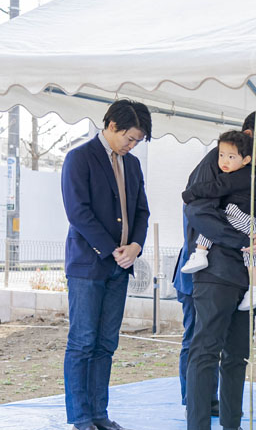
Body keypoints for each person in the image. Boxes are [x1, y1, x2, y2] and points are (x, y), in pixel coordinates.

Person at [183, 108, 256, 430]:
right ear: (247, 135)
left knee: (237, 356)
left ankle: (233, 424)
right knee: (205, 352)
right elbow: (198, 211)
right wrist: (241, 239)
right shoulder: (218, 160)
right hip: (215, 273)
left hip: (248, 276)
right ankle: (198, 425)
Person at [61, 100, 152, 430]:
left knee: (106, 344)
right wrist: (112, 248)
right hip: (88, 264)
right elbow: (78, 212)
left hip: (121, 266)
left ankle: (99, 412)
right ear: (112, 125)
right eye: (131, 138)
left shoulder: (133, 166)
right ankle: (81, 417)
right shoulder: (79, 158)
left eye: (137, 141)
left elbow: (142, 211)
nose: (132, 146)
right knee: (83, 342)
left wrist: (136, 247)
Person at [181, 130, 256, 311]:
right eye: (221, 155)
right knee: (250, 256)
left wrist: (189, 193)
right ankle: (253, 292)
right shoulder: (250, 174)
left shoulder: (242, 175)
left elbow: (216, 187)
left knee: (217, 218)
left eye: (231, 157)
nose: (224, 161)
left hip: (249, 222)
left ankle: (200, 253)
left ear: (245, 160)